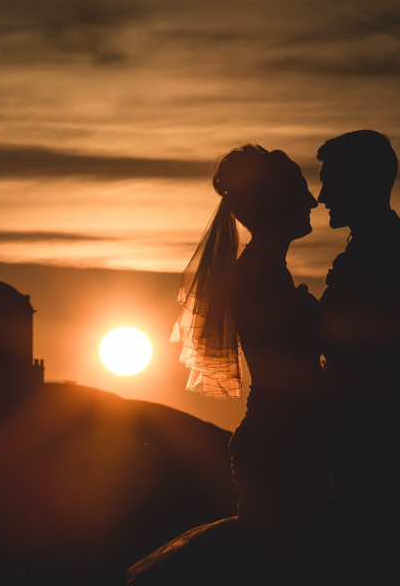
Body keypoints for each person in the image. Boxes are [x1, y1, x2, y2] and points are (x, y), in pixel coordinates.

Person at [132, 145, 329, 583]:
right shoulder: (259, 272)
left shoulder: (265, 268)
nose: (313, 201)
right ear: (275, 204)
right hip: (282, 439)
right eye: (301, 192)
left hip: (281, 433)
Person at [316, 130, 400, 573]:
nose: (322, 195)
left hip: (382, 454)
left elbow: (385, 352)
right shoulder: (375, 246)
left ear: (362, 182)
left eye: (331, 181)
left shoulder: (392, 252)